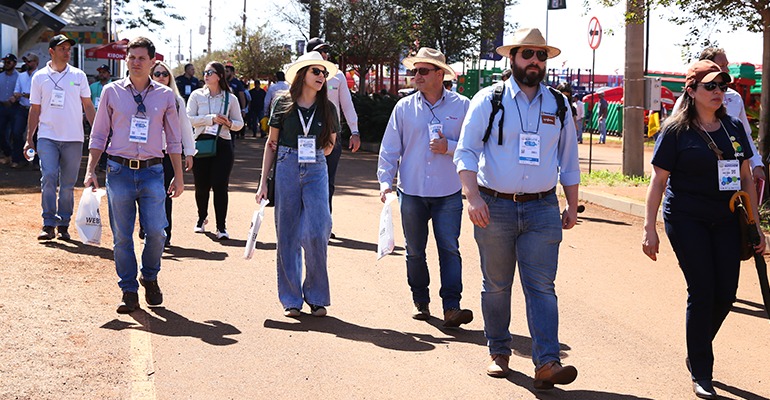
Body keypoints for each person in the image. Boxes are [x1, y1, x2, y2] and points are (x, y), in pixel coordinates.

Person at [453, 28, 580, 387]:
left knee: (542, 286)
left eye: (541, 56)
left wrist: (571, 205)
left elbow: (568, 160)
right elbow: (465, 151)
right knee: (496, 284)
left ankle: (547, 363)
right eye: (528, 55)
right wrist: (472, 197)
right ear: (513, 58)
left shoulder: (558, 104)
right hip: (494, 206)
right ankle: (498, 350)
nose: (535, 62)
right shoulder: (489, 99)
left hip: (542, 209)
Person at [642, 60, 765, 400]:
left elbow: (745, 179)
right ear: (692, 91)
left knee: (726, 293)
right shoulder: (676, 131)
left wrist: (756, 226)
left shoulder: (734, 128)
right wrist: (648, 228)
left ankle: (696, 346)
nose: (718, 92)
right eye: (710, 86)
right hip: (686, 218)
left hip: (726, 219)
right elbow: (658, 181)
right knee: (702, 289)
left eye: (722, 86)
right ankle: (702, 371)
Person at [84, 37, 184, 314]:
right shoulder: (111, 91)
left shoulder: (165, 96)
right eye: (132, 58)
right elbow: (99, 133)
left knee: (156, 232)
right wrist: (90, 169)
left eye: (142, 58)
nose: (136, 62)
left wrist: (178, 175)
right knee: (122, 236)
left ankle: (149, 276)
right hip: (118, 171)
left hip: (153, 171)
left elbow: (174, 140)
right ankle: (128, 289)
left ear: (153, 62)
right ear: (125, 60)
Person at [377, 47, 473, 327]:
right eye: (414, 70)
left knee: (449, 248)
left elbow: (473, 148)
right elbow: (390, 148)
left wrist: (449, 147)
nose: (416, 75)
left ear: (440, 74)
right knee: (415, 251)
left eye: (423, 70)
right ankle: (421, 300)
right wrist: (385, 181)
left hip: (448, 192)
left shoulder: (463, 106)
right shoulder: (404, 107)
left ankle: (452, 306)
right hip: (412, 192)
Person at [254, 51, 338, 318]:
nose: (321, 77)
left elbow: (331, 145)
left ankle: (316, 295)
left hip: (316, 166)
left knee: (317, 230)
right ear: (303, 74)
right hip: (287, 163)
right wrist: (263, 182)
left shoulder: (328, 107)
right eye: (316, 72)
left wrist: (316, 152)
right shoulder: (282, 103)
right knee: (287, 234)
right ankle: (291, 300)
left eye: (324, 73)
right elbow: (270, 143)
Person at [25, 35, 96, 241]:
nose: (67, 52)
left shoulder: (78, 75)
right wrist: (29, 138)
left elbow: (88, 106)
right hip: (47, 136)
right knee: (48, 177)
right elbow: (34, 109)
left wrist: (98, 132)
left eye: (68, 49)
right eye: (62, 48)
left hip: (74, 138)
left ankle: (63, 223)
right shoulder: (39, 77)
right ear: (51, 51)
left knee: (67, 184)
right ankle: (48, 223)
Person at [671, 47, 765, 185]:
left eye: (727, 65)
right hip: (695, 178)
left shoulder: (735, 99)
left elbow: (745, 135)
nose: (726, 70)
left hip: (728, 179)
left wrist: (756, 164)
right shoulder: (685, 101)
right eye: (722, 66)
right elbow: (672, 137)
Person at [305, 38, 361, 235]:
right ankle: (307, 222)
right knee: (305, 179)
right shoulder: (299, 74)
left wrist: (354, 131)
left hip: (331, 137)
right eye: (320, 51)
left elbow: (347, 105)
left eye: (326, 51)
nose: (324, 55)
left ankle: (324, 224)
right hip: (305, 138)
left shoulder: (337, 76)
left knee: (327, 181)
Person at [141, 60, 196, 247]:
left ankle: (166, 232)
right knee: (143, 193)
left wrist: (189, 152)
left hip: (168, 153)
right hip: (145, 153)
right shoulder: (141, 97)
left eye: (165, 74)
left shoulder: (176, 100)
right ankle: (146, 227)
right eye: (157, 74)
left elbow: (185, 128)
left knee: (165, 194)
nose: (161, 77)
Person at [187, 62, 243, 240]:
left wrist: (228, 123)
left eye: (210, 72)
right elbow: (188, 119)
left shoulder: (230, 98)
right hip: (201, 143)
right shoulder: (196, 95)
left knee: (220, 185)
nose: (206, 75)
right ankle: (201, 218)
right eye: (205, 72)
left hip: (223, 144)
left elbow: (239, 124)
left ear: (219, 76)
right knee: (201, 185)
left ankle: (221, 226)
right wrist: (210, 119)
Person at [12, 52, 38, 168]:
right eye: (26, 61)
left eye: (29, 61)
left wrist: (24, 95)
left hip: (36, 109)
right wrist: (22, 95)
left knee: (36, 135)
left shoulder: (40, 75)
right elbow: (16, 91)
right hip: (23, 108)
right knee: (17, 133)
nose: (27, 63)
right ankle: (19, 159)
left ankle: (36, 162)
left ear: (36, 62)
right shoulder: (21, 76)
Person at [90, 64, 112, 172]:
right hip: (94, 116)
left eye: (104, 72)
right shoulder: (93, 86)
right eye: (100, 72)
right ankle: (95, 163)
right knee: (95, 139)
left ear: (109, 74)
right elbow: (88, 101)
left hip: (110, 118)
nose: (101, 74)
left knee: (107, 140)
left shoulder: (113, 86)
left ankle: (104, 163)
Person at [0, 53, 19, 166]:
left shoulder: (19, 77)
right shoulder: (0, 76)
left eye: (9, 62)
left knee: (16, 133)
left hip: (14, 107)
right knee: (1, 132)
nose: (6, 64)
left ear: (14, 63)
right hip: (1, 106)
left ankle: (16, 158)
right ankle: (8, 153)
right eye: (5, 62)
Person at [224, 64, 247, 139]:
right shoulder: (223, 82)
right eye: (225, 71)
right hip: (225, 108)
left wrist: (243, 109)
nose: (225, 73)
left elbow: (242, 96)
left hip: (234, 108)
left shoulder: (237, 83)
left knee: (232, 128)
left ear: (232, 73)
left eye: (227, 71)